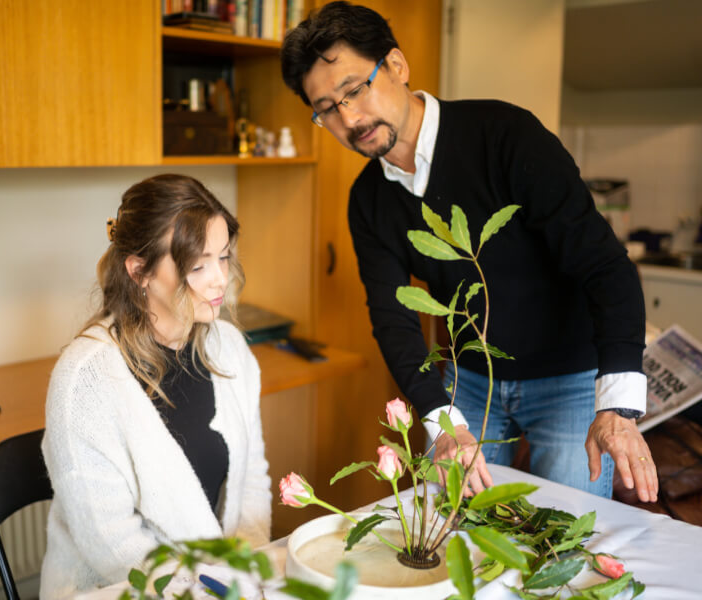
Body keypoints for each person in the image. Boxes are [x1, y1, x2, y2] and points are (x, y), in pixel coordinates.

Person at [280, 1, 659, 502]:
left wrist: (618, 405)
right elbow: (393, 317)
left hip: (568, 373)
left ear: (396, 65)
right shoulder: (368, 199)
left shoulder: (506, 136)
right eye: (327, 108)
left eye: (354, 89)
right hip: (469, 376)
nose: (348, 117)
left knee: (563, 536)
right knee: (451, 526)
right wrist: (439, 417)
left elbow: (603, 263)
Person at [40, 174, 271, 599]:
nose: (220, 279)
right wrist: (207, 589)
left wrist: (247, 571)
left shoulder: (230, 348)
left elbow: (252, 479)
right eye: (198, 266)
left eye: (223, 257)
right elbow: (111, 544)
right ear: (139, 271)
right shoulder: (84, 380)